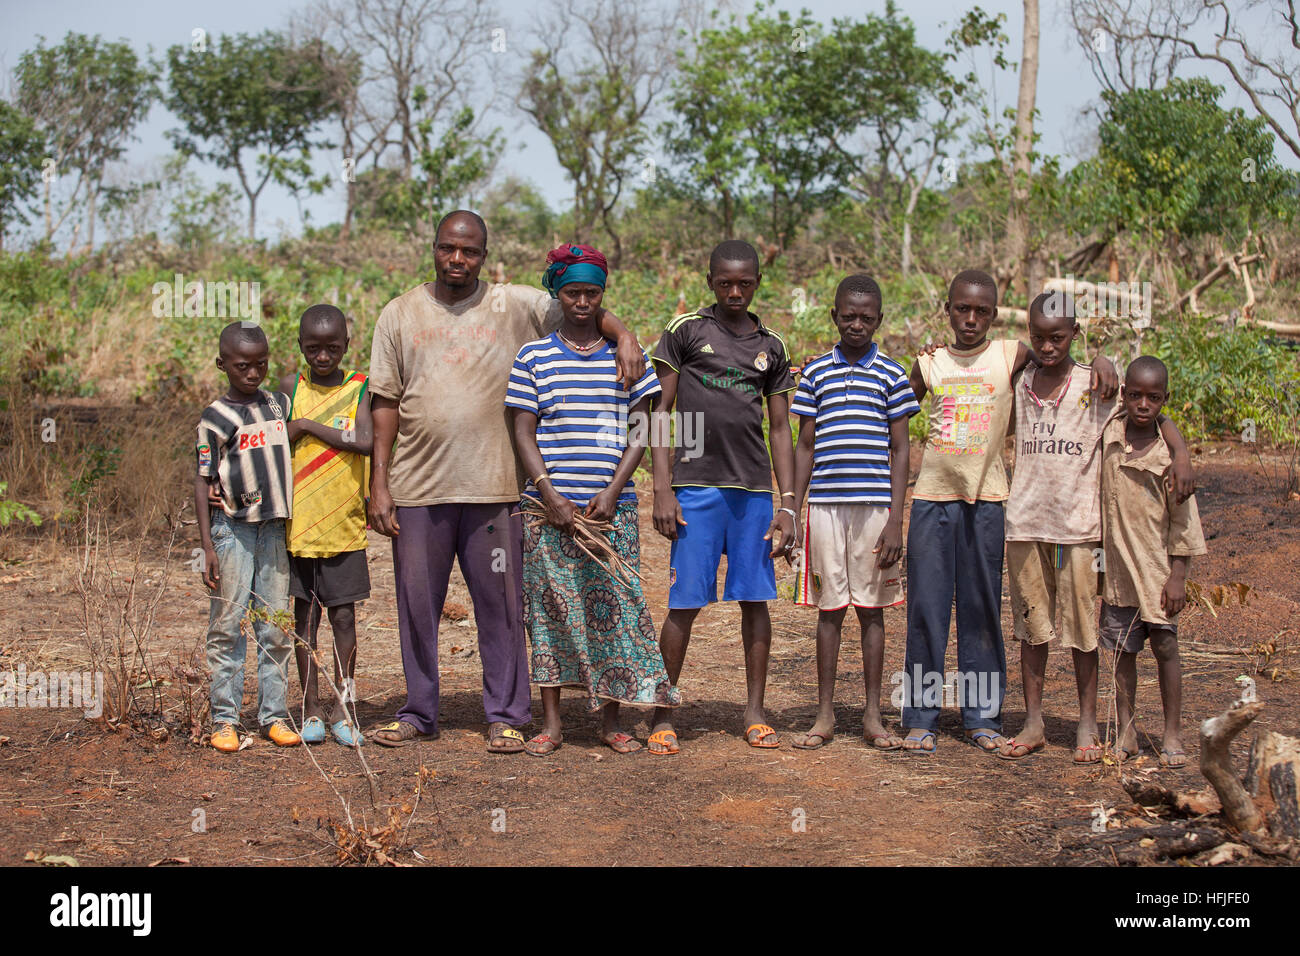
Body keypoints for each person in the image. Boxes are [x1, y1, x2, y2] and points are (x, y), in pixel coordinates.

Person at [366, 210, 644, 753]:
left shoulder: (512, 303)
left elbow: (580, 300)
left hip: (496, 490)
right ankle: (419, 711)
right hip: (420, 487)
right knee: (417, 605)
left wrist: (626, 333)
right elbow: (384, 403)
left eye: (469, 252)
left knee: (502, 607)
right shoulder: (399, 313)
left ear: (484, 256)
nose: (457, 260)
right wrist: (380, 483)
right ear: (434, 247)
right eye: (448, 248)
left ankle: (506, 714)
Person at [899, 271, 1124, 755]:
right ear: (948, 309)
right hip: (932, 501)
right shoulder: (929, 362)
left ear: (997, 316)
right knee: (926, 610)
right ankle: (920, 717)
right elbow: (894, 415)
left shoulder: (1011, 355)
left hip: (991, 502)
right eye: (962, 309)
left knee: (982, 611)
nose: (971, 319)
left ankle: (982, 718)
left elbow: (1065, 355)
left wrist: (1104, 359)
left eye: (982, 311)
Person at [997, 293, 1193, 762]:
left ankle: (1087, 723)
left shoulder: (1099, 384)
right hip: (1024, 524)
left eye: (1058, 337)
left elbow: (1151, 414)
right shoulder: (1018, 382)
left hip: (1081, 530)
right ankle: (1034, 721)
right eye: (1039, 337)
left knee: (1084, 631)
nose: (1048, 347)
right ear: (1029, 334)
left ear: (1075, 336)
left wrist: (1182, 453)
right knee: (1031, 628)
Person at [505, 244, 680, 756]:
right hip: (547, 510)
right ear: (558, 294)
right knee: (550, 612)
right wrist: (548, 493)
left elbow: (641, 427)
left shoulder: (626, 356)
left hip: (611, 511)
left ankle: (610, 720)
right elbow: (522, 430)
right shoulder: (534, 356)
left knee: (614, 612)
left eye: (592, 293)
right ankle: (553, 724)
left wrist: (614, 488)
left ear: (604, 294)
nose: (582, 302)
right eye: (572, 292)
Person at [647, 239, 798, 754]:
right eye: (725, 282)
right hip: (695, 487)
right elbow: (658, 413)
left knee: (755, 601)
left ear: (757, 282)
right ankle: (663, 713)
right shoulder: (686, 331)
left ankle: (754, 712)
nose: (735, 291)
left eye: (746, 283)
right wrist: (662, 487)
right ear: (710, 280)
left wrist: (788, 503)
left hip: (752, 490)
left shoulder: (771, 346)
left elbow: (780, 428)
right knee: (684, 601)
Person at [788, 274, 918, 750]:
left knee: (872, 611)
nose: (856, 324)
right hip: (824, 506)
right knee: (830, 610)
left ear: (878, 319)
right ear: (834, 317)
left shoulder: (892, 373)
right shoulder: (817, 373)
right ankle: (824, 714)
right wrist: (792, 510)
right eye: (848, 316)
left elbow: (901, 450)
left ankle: (871, 713)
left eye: (866, 317)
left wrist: (896, 520)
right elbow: (804, 446)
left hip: (874, 512)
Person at [194, 322, 301, 752]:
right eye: (242, 366)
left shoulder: (278, 403)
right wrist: (206, 547)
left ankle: (273, 716)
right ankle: (225, 719)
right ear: (223, 365)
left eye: (261, 364)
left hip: (274, 528)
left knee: (276, 624)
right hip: (232, 531)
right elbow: (202, 481)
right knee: (228, 626)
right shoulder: (214, 417)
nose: (253, 373)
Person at [1099, 356, 1206, 768]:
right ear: (1124, 394)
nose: (1144, 404)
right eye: (1136, 395)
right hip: (1119, 574)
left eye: (1154, 398)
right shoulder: (1110, 431)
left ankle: (1173, 734)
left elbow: (1183, 523)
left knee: (1165, 647)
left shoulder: (1168, 459)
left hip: (1157, 572)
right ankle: (1126, 731)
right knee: (1123, 651)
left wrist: (1179, 577)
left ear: (1166, 400)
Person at [279, 304, 372, 747]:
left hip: (344, 526)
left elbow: (366, 441)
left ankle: (346, 708)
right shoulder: (288, 390)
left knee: (345, 620)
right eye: (313, 348)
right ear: (300, 347)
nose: (322, 357)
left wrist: (307, 426)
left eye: (331, 348)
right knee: (304, 621)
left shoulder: (359, 389)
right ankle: (311, 708)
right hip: (298, 527)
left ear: (346, 346)